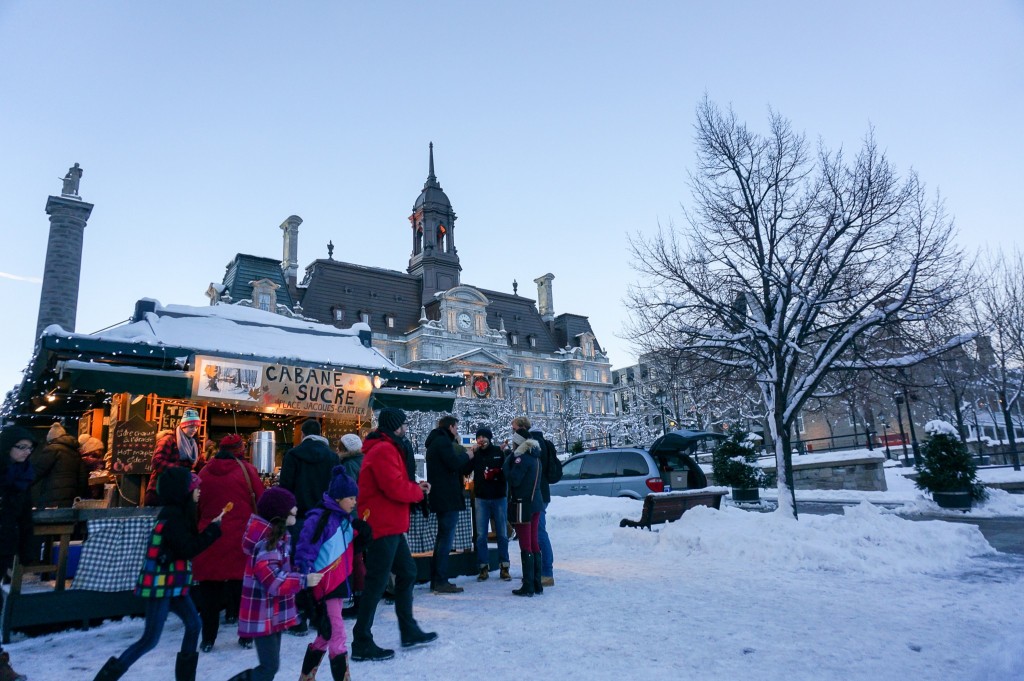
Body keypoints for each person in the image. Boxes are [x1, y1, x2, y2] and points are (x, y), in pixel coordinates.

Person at [93, 468, 224, 681]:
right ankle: (106, 678)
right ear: (182, 491)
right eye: (195, 487)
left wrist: (211, 528)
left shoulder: (178, 513)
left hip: (173, 582)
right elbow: (187, 548)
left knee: (194, 625)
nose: (199, 491)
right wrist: (213, 530)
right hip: (161, 584)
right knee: (150, 639)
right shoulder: (173, 516)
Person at [352, 407, 437, 662]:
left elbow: (397, 482)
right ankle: (361, 641)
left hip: (391, 524)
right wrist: (418, 493)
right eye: (403, 425)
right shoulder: (383, 450)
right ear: (394, 427)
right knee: (377, 582)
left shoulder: (386, 447)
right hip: (383, 524)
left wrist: (414, 487)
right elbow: (394, 487)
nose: (406, 428)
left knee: (407, 572)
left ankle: (408, 629)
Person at [228, 487, 323, 681]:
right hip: (263, 613)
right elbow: (272, 580)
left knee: (271, 666)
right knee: (269, 667)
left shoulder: (277, 538)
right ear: (280, 513)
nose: (296, 508)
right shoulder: (266, 543)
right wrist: (304, 580)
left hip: (271, 612)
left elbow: (279, 570)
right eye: (291, 506)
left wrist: (299, 572)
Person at [294, 466, 372, 681]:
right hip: (322, 586)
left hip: (336, 585)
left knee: (326, 634)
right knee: (338, 634)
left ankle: (306, 677)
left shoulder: (344, 520)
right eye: (350, 498)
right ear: (338, 498)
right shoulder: (320, 519)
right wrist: (305, 579)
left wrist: (362, 534)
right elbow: (305, 550)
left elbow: (346, 548)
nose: (354, 502)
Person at [192, 434, 266, 653]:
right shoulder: (247, 470)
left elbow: (197, 504)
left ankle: (208, 639)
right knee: (244, 591)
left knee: (209, 595)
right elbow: (261, 498)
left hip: (210, 537)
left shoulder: (204, 471)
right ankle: (245, 636)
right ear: (239, 449)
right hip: (240, 538)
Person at [279, 418, 339, 634]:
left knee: (298, 566)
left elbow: (284, 489)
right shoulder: (332, 457)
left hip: (300, 519)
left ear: (303, 434)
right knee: (322, 566)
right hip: (324, 519)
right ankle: (320, 615)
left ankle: (299, 618)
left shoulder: (293, 455)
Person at [0, 426, 35, 681]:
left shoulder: (24, 476)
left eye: (29, 448)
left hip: (3, 546)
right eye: (20, 447)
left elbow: (25, 517)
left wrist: (26, 550)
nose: (26, 452)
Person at [425, 415, 474, 593]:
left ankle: (437, 579)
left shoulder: (434, 442)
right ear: (451, 427)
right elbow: (453, 464)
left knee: (442, 538)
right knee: (445, 539)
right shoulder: (443, 442)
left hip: (440, 496)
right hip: (448, 497)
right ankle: (440, 580)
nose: (457, 431)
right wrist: (467, 455)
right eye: (456, 428)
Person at [503, 423, 543, 597]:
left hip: (523, 504)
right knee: (534, 542)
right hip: (536, 503)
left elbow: (514, 479)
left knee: (525, 544)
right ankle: (537, 582)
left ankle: (528, 586)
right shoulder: (535, 456)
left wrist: (507, 462)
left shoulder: (521, 458)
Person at [469, 426, 510, 581]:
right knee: (481, 535)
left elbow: (507, 473)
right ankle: (483, 567)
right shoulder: (477, 454)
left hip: (499, 497)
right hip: (481, 498)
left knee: (502, 534)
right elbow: (465, 470)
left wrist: (496, 475)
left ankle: (504, 566)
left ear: (489, 438)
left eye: (484, 437)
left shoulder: (499, 452)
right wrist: (471, 455)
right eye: (478, 437)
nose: (481, 440)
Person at [146, 409, 206, 506]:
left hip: (181, 490)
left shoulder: (195, 444)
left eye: (196, 427)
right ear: (183, 426)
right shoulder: (168, 440)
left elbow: (201, 464)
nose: (194, 430)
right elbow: (157, 462)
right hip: (160, 491)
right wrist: (180, 471)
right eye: (191, 426)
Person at [337, 432, 366, 617]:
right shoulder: (365, 461)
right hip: (365, 515)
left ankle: (359, 598)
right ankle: (362, 596)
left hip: (352, 516)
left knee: (355, 558)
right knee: (361, 557)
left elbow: (346, 493)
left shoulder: (347, 466)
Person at [528, 423, 560, 587]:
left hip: (537, 495)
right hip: (543, 493)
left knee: (539, 532)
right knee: (538, 532)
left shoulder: (534, 446)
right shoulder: (546, 445)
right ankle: (541, 570)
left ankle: (547, 572)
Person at [31, 421, 87, 508]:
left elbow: (38, 471)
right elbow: (82, 477)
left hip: (52, 497)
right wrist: (79, 495)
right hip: (71, 498)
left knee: (51, 520)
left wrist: (21, 486)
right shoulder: (75, 452)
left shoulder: (52, 449)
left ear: (52, 438)